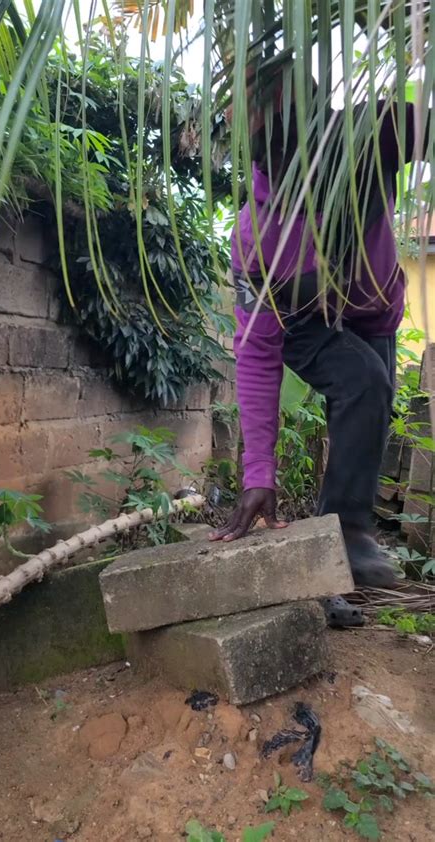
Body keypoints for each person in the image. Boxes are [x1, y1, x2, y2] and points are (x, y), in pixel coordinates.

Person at [210, 72, 431, 622]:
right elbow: (258, 354)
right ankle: (348, 538)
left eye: (290, 139)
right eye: (264, 148)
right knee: (364, 380)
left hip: (374, 314)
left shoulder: (376, 135)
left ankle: (335, 560)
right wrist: (259, 473)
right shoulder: (254, 236)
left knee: (369, 402)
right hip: (305, 322)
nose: (280, 162)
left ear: (322, 122)